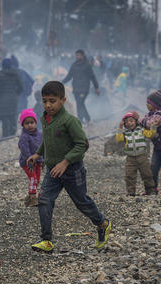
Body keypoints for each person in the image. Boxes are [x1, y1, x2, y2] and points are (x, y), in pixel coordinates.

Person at [26, 81, 111, 253]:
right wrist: (38, 153)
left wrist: (65, 162)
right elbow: (48, 140)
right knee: (44, 200)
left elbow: (82, 145)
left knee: (81, 202)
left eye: (52, 101)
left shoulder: (70, 121)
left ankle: (102, 224)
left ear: (63, 100)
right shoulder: (45, 119)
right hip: (53, 171)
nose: (48, 105)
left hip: (72, 170)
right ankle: (46, 240)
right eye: (45, 101)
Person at [116, 111, 156, 196]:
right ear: (124, 124)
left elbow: (150, 135)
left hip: (142, 156)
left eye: (131, 121)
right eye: (126, 122)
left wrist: (153, 126)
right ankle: (131, 192)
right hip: (130, 158)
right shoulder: (125, 133)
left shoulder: (141, 130)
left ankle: (150, 190)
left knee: (147, 174)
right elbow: (119, 139)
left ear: (136, 122)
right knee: (129, 176)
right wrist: (120, 128)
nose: (129, 123)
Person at [62, 49, 100, 125]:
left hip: (84, 88)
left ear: (83, 55)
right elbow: (69, 76)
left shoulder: (87, 65)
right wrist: (61, 82)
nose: (77, 56)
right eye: (76, 55)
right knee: (79, 103)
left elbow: (92, 77)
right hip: (76, 88)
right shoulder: (74, 65)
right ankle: (82, 120)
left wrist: (96, 87)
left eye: (79, 55)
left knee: (80, 102)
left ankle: (86, 120)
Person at [18, 109, 43, 207]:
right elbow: (24, 150)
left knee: (37, 179)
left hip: (38, 161)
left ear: (36, 123)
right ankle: (33, 198)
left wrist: (43, 159)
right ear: (23, 125)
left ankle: (30, 196)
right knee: (33, 178)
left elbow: (42, 147)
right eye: (27, 123)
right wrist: (30, 161)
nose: (30, 125)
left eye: (32, 122)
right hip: (27, 162)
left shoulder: (39, 134)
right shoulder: (24, 137)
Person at [0, 58, 23, 137]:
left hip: (2, 99)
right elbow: (20, 87)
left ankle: (5, 134)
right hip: (13, 98)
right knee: (12, 115)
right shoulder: (15, 74)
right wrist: (16, 93)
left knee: (4, 116)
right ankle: (12, 132)